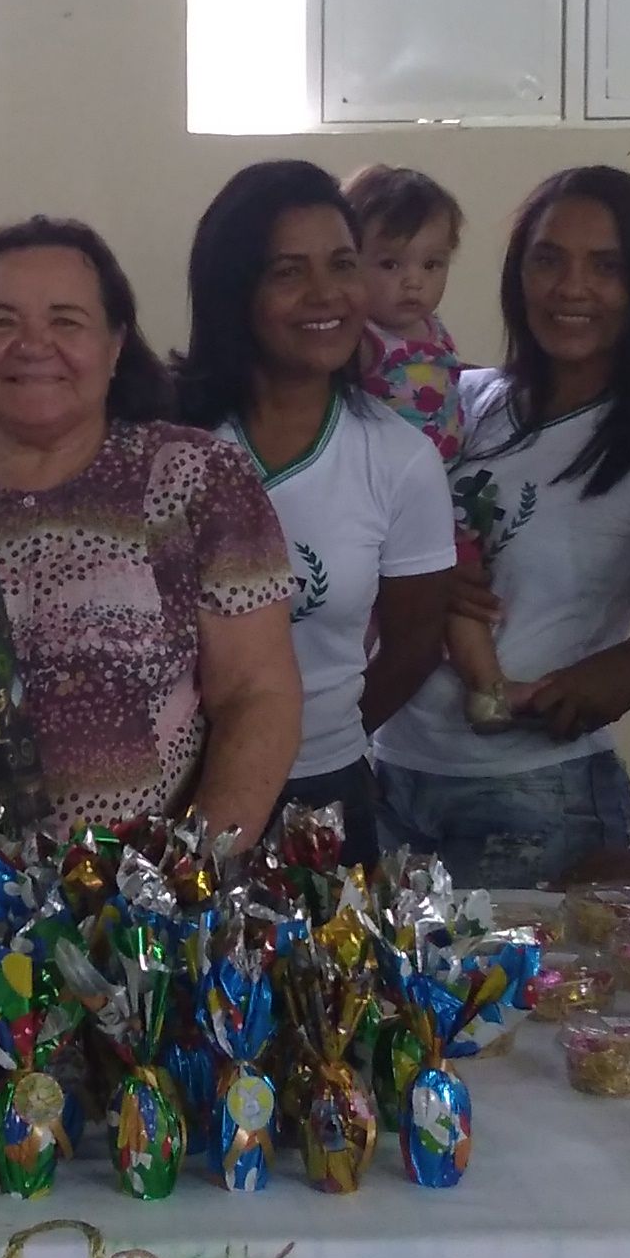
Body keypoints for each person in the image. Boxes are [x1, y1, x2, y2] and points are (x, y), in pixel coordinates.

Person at [373, 168, 630, 888]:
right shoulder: (459, 401)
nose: (571, 288)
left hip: (535, 798)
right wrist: (410, 578)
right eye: (548, 259)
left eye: (607, 267)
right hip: (386, 774)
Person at [0, 215, 301, 841]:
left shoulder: (197, 477)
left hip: (145, 882)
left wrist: (192, 868)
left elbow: (257, 694)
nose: (33, 345)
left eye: (66, 321)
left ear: (115, 345)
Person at [172, 162, 455, 858]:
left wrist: (318, 735)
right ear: (235, 287)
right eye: (288, 271)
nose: (326, 294)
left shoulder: (400, 459)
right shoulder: (165, 441)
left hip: (324, 795)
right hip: (169, 791)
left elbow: (416, 644)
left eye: (343, 265)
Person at [347, 164, 512, 726]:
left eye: (432, 264)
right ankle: (342, 698)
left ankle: (488, 687)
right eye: (390, 264)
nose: (413, 282)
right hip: (377, 498)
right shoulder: (361, 340)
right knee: (367, 605)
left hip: (437, 493)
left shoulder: (434, 330)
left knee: (460, 587)